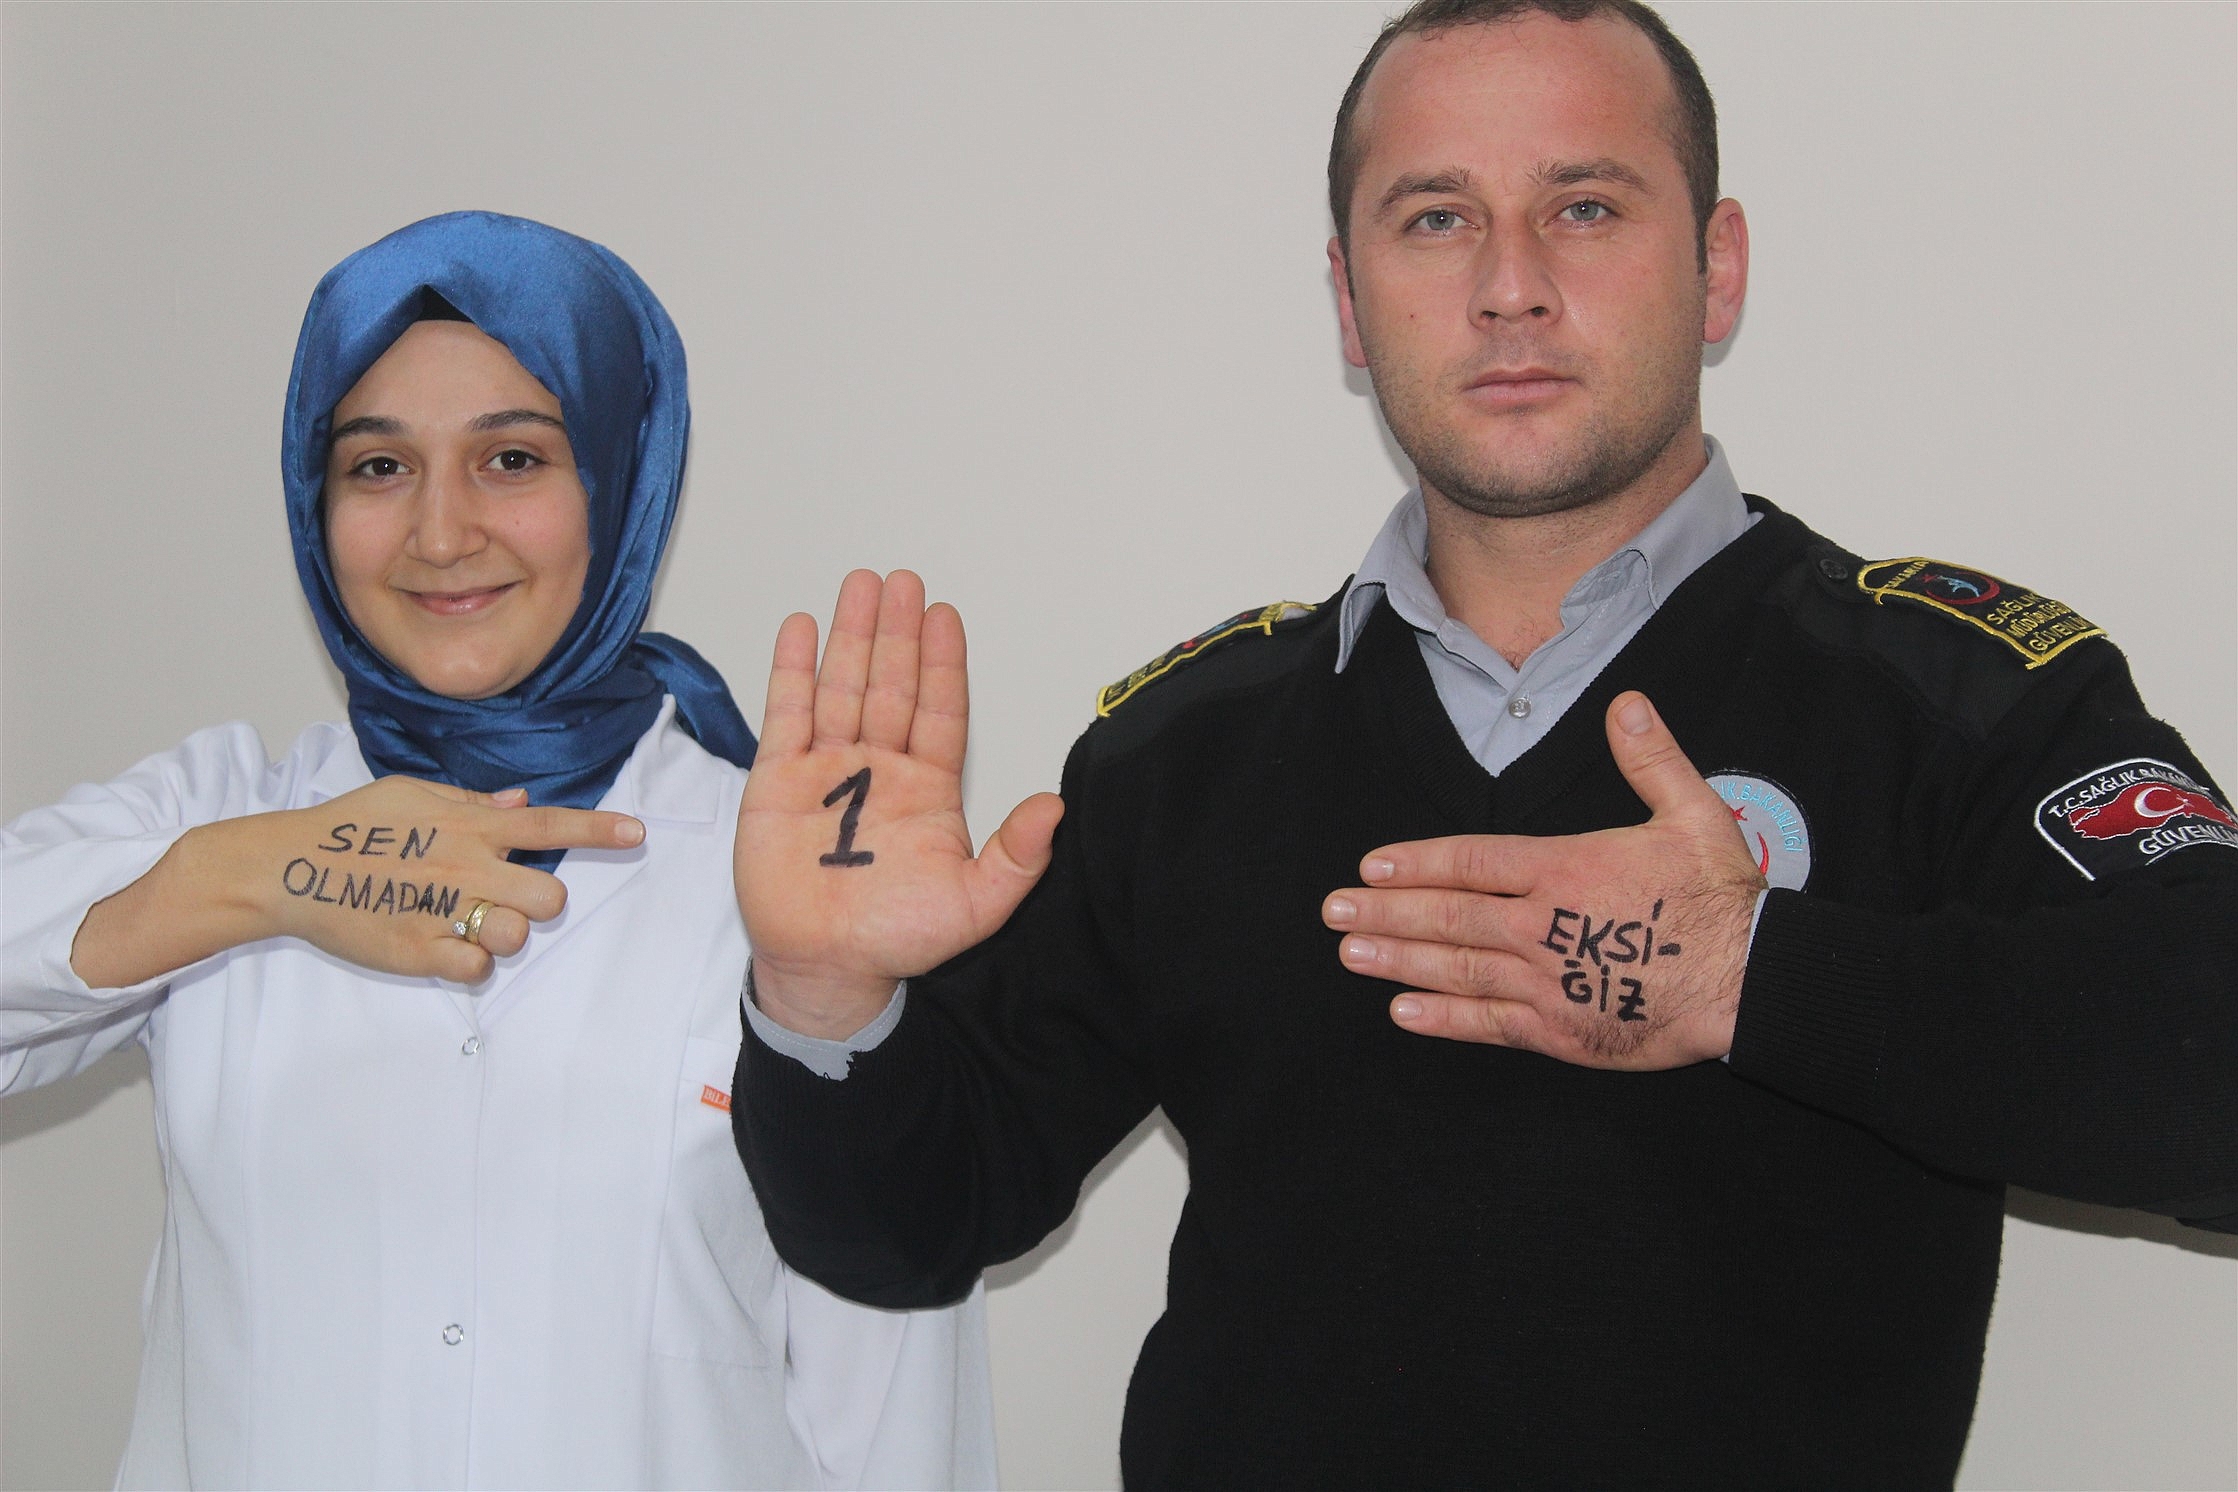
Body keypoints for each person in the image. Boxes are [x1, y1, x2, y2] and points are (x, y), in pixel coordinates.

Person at [727, 1, 2238, 1486]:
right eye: (1436, 220)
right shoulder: (1190, 750)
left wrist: (1750, 974)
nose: (1510, 288)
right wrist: (821, 998)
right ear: (1347, 298)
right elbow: (906, 1222)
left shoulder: (1953, 696)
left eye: (1584, 207)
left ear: (1715, 267)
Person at [0, 212, 994, 1490]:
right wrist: (260, 875)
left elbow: (893, 1407)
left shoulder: (790, 876)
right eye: (377, 467)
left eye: (512, 458)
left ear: (621, 483)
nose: (440, 532)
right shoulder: (225, 814)